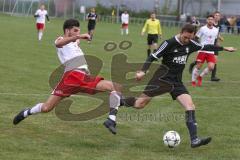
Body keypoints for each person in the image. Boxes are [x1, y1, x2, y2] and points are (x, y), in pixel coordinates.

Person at [103, 24, 236, 148]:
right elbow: (152, 57)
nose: (186, 40)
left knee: (190, 106)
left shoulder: (191, 43)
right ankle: (116, 103)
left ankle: (194, 139)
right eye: (185, 37)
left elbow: (206, 47)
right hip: (161, 79)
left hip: (176, 82)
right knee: (139, 104)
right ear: (181, 32)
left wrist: (224, 48)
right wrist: (143, 71)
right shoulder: (168, 43)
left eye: (189, 38)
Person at [13, 19, 122, 134]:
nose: (77, 32)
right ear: (67, 30)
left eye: (78, 30)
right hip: (71, 77)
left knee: (116, 87)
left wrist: (82, 37)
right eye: (75, 30)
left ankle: (111, 120)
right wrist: (78, 37)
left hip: (84, 77)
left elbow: (77, 40)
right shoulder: (61, 40)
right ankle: (26, 112)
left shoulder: (75, 42)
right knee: (46, 108)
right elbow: (59, 43)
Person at [189, 11, 224, 81]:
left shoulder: (216, 29)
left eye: (212, 19)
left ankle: (202, 77)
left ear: (214, 20)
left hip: (212, 49)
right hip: (203, 49)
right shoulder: (203, 28)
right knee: (199, 66)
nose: (211, 21)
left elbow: (216, 37)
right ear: (207, 20)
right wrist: (198, 45)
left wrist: (218, 43)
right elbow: (196, 37)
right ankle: (193, 80)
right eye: (209, 19)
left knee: (212, 66)